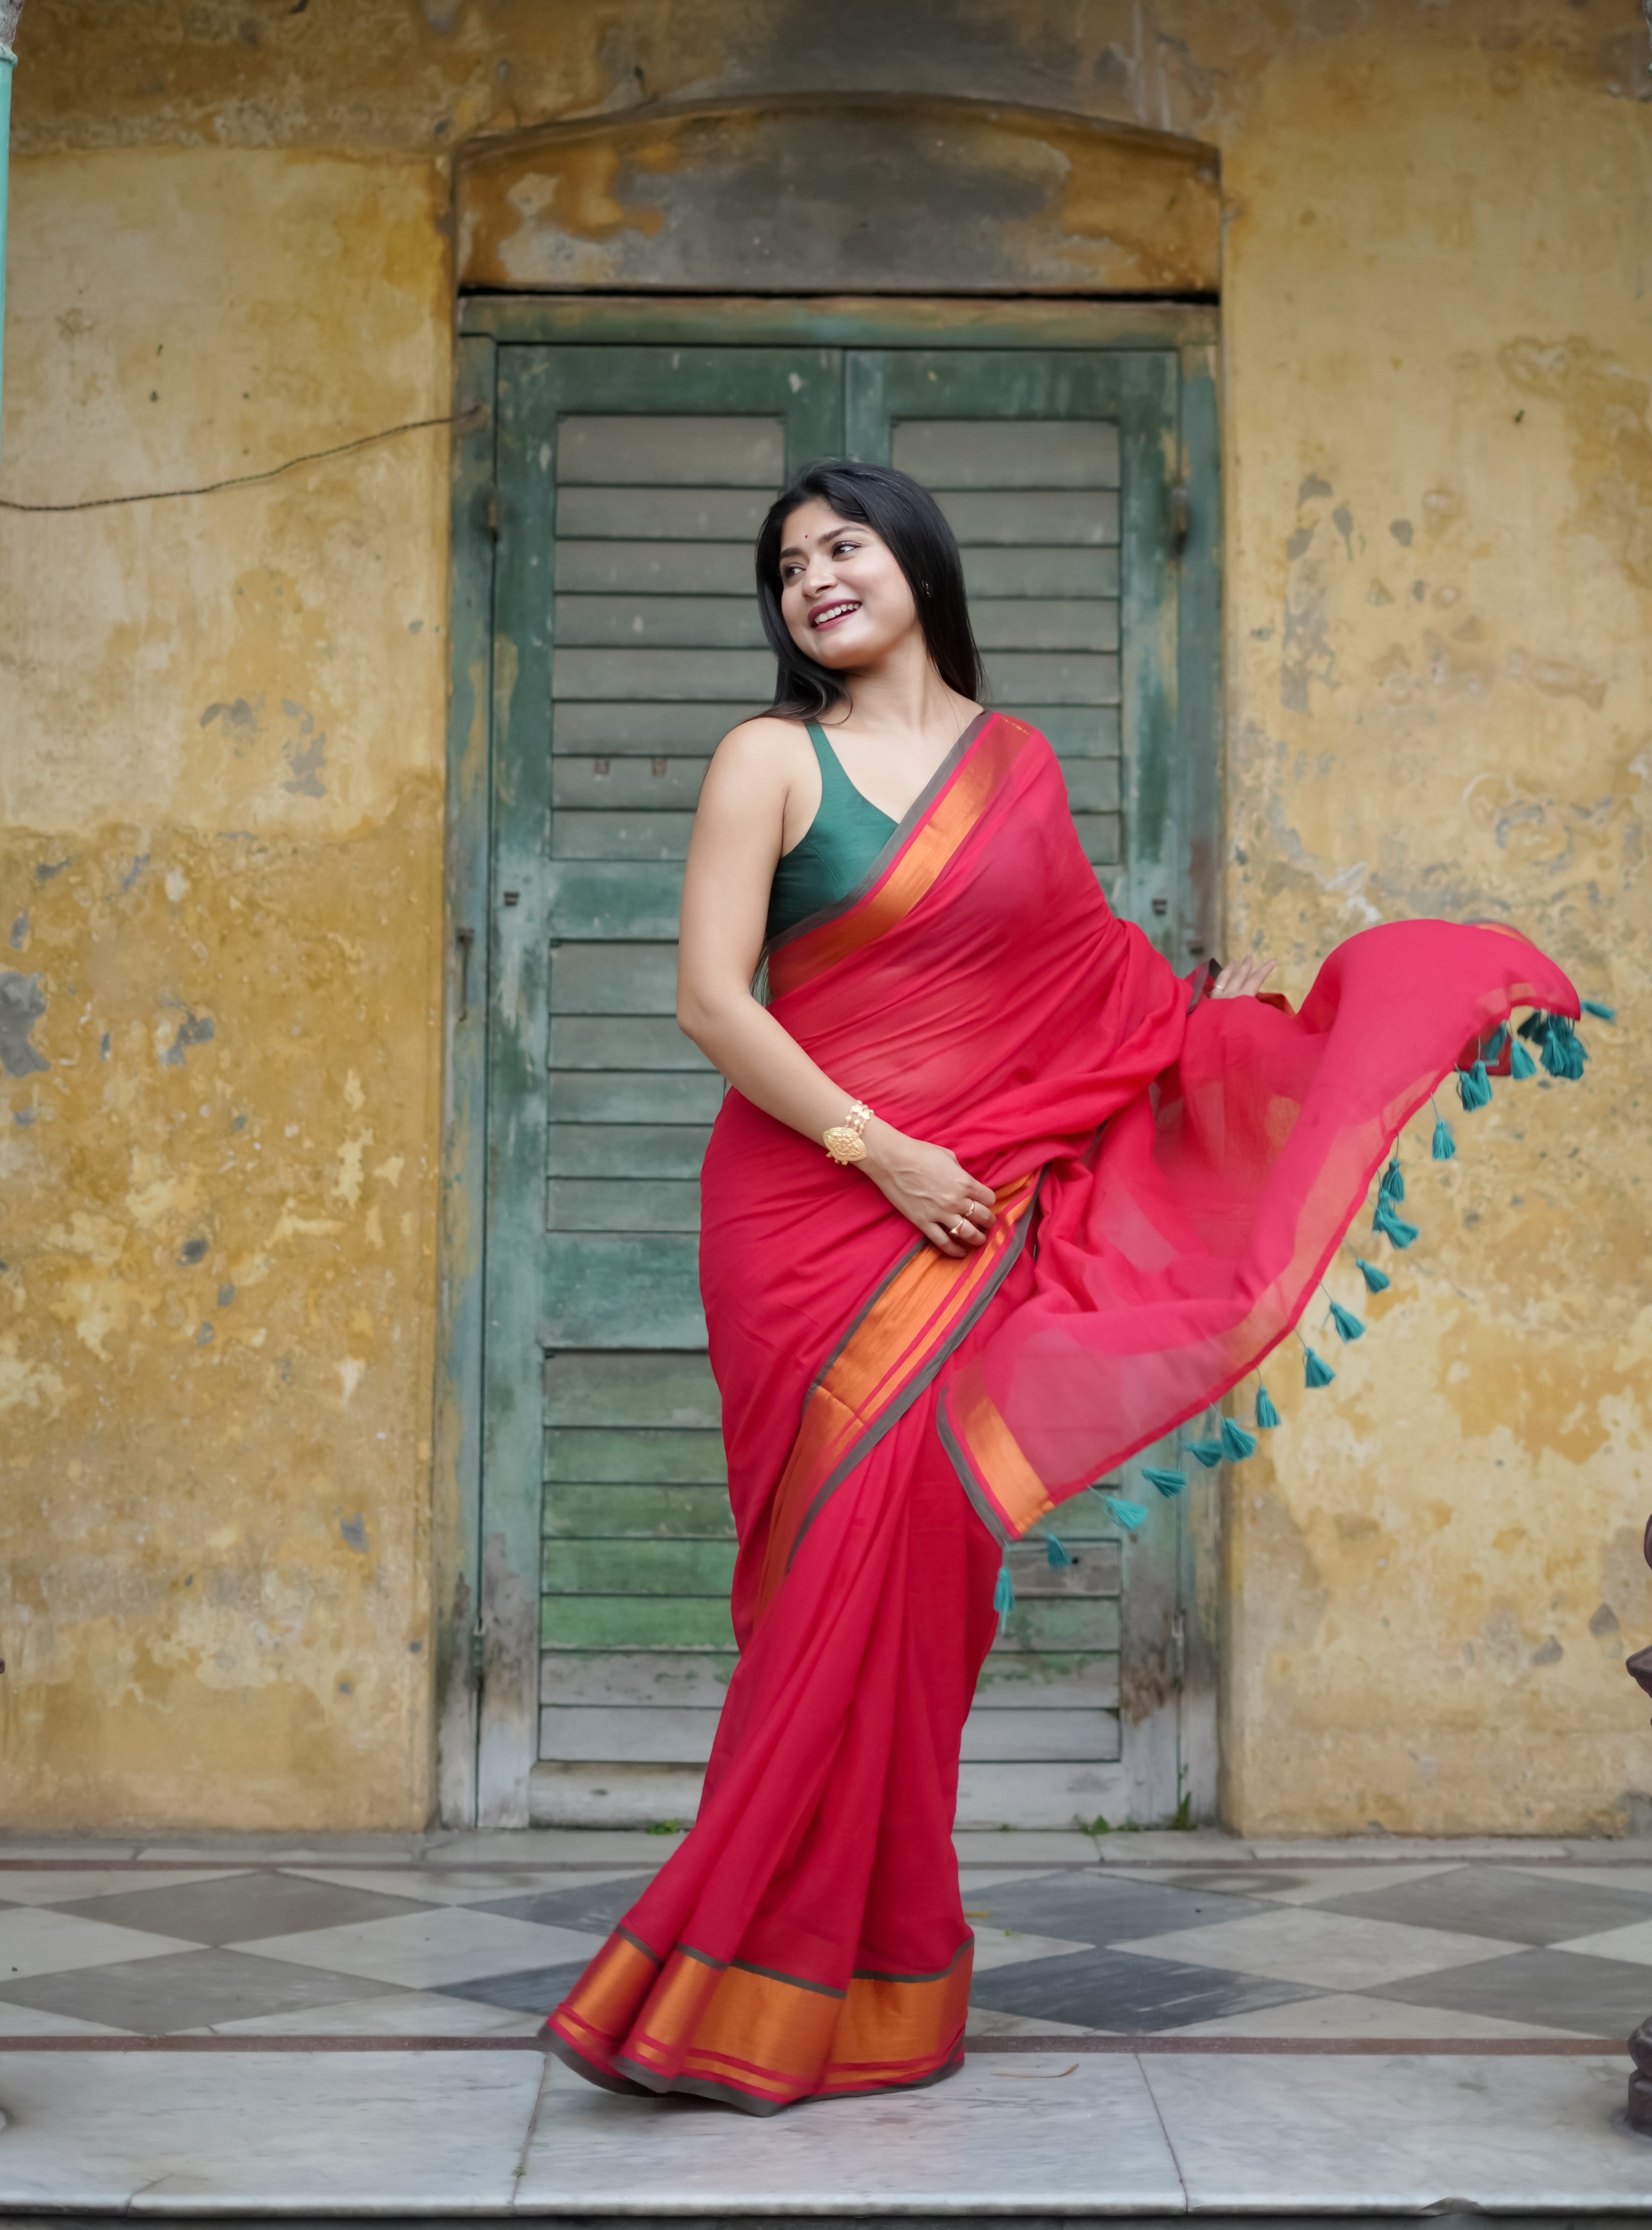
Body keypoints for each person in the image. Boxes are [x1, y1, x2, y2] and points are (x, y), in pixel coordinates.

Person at [544, 462, 1576, 2114]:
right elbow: (709, 1002)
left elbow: (1091, 989)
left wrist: (1217, 1019)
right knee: (819, 1587)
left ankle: (859, 1983)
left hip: (972, 1216)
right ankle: (728, 1974)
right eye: (789, 562)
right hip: (816, 1215)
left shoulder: (1014, 768)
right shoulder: (768, 759)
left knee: (924, 1579)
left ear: (919, 564)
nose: (816, 577)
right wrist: (888, 1156)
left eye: (846, 544)